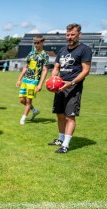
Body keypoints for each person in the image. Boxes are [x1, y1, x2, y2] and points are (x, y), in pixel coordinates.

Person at [48, 23, 92, 153]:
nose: (69, 37)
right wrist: (53, 79)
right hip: (60, 86)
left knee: (69, 116)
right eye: (67, 35)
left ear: (79, 34)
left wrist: (71, 83)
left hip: (73, 87)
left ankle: (65, 145)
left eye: (72, 34)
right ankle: (61, 139)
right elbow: (56, 68)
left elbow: (85, 71)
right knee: (60, 114)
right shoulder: (62, 50)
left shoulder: (85, 50)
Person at [15, 35, 49, 125]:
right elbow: (25, 67)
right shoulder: (31, 53)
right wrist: (19, 79)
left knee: (29, 101)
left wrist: (40, 84)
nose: (36, 44)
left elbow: (45, 70)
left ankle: (23, 118)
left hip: (33, 82)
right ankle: (34, 110)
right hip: (25, 80)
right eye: (35, 43)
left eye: (38, 43)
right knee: (22, 100)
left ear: (42, 42)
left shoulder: (45, 55)